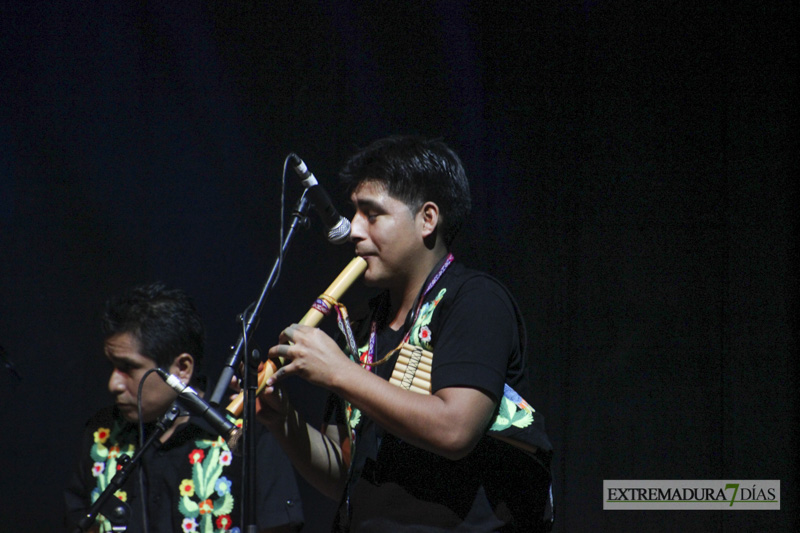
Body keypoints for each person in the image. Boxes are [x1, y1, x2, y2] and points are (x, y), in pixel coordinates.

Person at [256, 136, 553, 532]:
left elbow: (455, 429)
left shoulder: (476, 301)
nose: (353, 232)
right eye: (354, 213)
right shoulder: (360, 326)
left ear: (427, 219)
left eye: (371, 214)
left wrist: (339, 373)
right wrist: (282, 420)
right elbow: (343, 474)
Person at [64, 283, 304, 533]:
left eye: (128, 368)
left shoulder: (250, 434)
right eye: (112, 366)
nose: (114, 383)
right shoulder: (100, 434)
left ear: (182, 368)